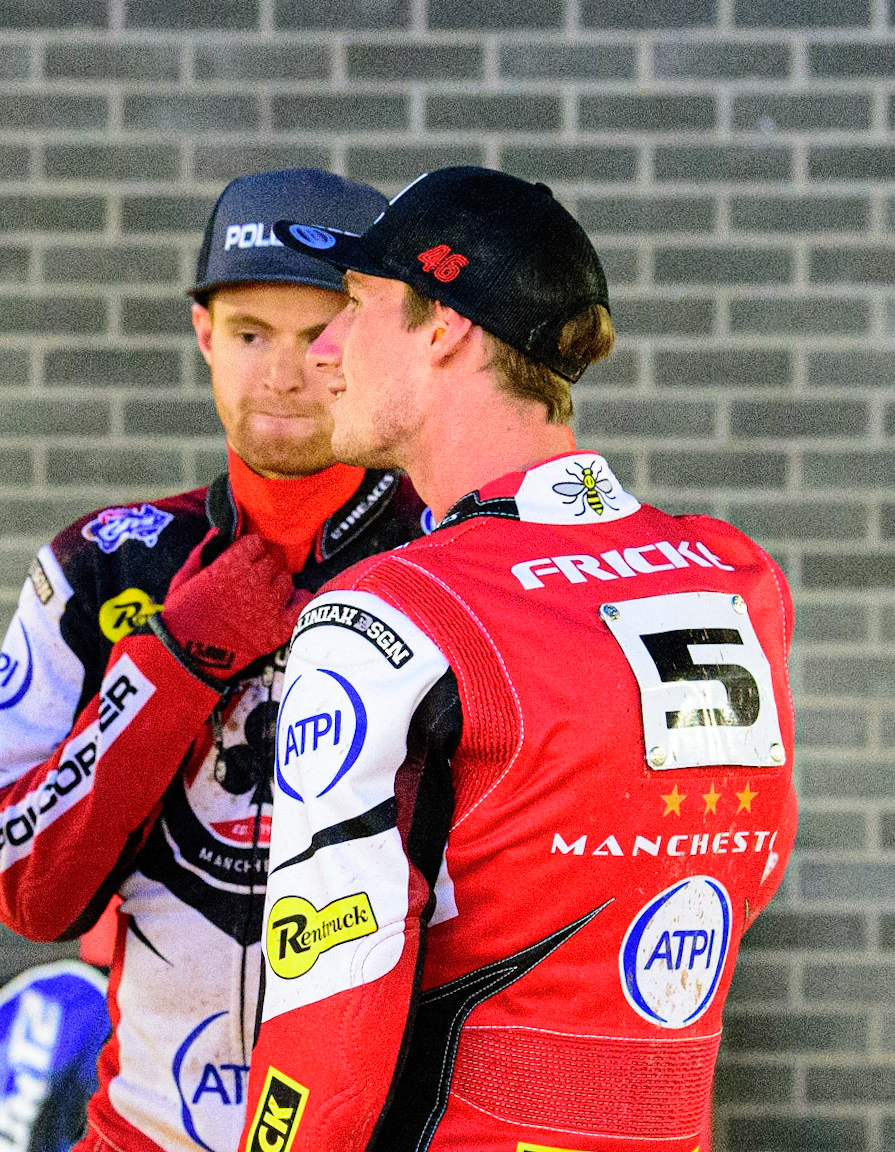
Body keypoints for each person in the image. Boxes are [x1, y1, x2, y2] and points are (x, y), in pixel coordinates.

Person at [240, 167, 798, 1151]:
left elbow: (325, 1005)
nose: (323, 350)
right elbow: (735, 876)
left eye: (356, 306)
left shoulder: (387, 612)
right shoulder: (734, 572)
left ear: (445, 328)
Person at [0, 170, 428, 1152]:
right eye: (250, 334)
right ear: (203, 334)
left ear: (382, 341)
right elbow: (18, 879)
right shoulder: (105, 565)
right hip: (142, 1130)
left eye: (321, 337)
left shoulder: (461, 565)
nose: (283, 374)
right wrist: (173, 663)